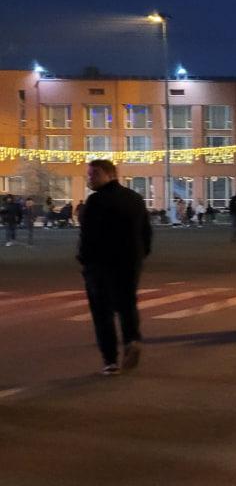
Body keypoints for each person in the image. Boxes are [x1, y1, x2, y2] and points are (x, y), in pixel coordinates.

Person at [77, 159, 152, 375]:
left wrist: (84, 260)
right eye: (89, 174)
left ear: (110, 174)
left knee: (102, 314)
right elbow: (146, 232)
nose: (90, 177)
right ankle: (132, 340)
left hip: (100, 265)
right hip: (129, 263)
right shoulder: (135, 198)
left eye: (95, 173)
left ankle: (110, 361)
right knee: (127, 305)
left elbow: (88, 236)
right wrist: (140, 255)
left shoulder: (95, 201)